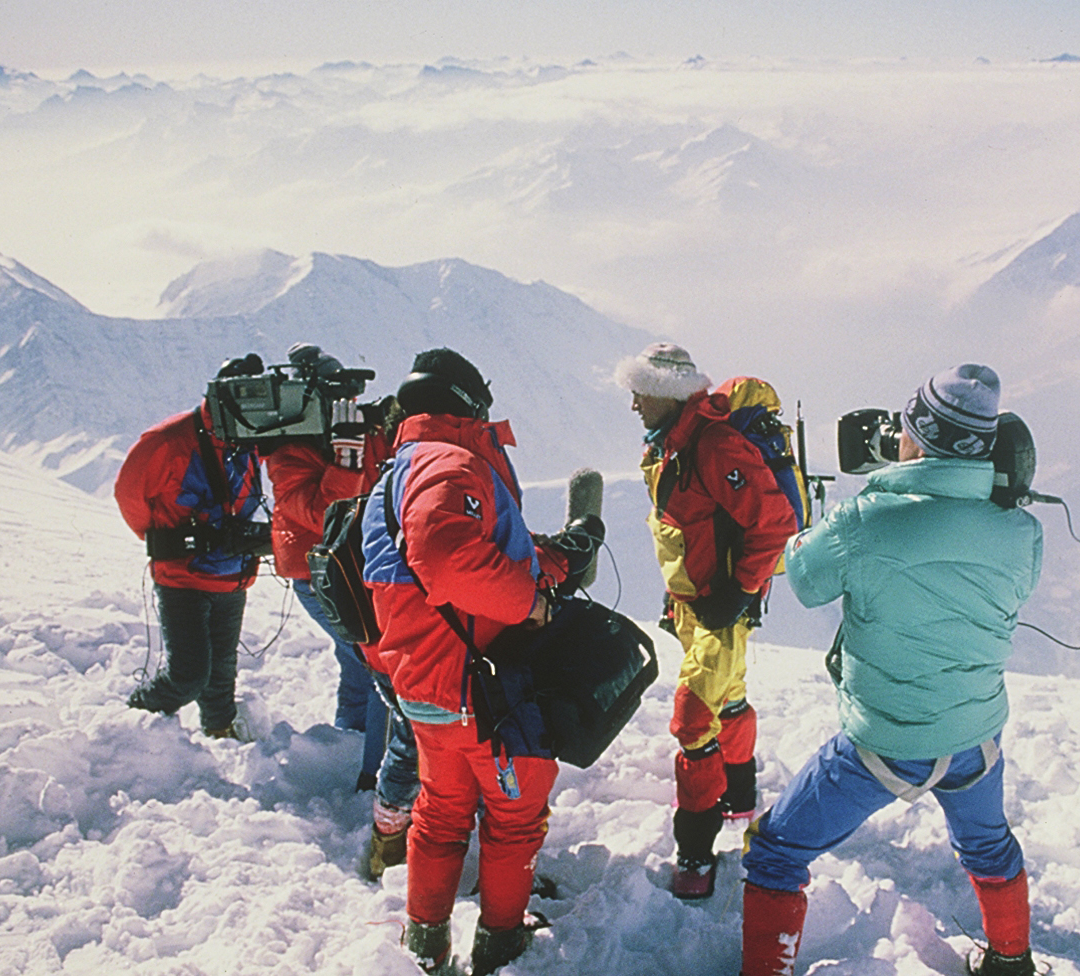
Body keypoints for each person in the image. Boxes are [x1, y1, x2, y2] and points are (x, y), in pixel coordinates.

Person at [738, 364, 1044, 976]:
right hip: (975, 739)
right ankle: (1011, 961)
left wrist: (847, 506)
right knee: (988, 845)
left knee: (774, 853)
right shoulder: (1022, 532)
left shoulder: (866, 519)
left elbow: (805, 580)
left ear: (919, 437)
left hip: (885, 743)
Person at [359, 348, 573, 975]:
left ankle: (426, 943)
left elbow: (450, 554)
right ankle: (500, 943)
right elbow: (447, 559)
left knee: (442, 813)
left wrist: (549, 560)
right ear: (468, 402)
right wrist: (532, 602)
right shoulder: (450, 461)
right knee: (512, 819)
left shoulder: (399, 469)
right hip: (480, 688)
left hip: (425, 684)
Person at [613, 342, 798, 901]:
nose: (634, 405)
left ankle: (695, 852)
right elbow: (684, 526)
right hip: (694, 603)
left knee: (694, 722)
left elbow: (775, 523)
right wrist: (680, 596)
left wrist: (739, 592)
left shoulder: (714, 445)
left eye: (641, 393)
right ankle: (740, 796)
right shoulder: (669, 443)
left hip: (721, 606)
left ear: (667, 393)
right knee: (729, 695)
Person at [261, 343, 421, 878]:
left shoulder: (354, 429)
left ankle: (347, 741)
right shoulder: (286, 450)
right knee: (378, 665)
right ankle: (373, 776)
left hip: (355, 565)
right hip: (321, 574)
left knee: (357, 662)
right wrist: (346, 458)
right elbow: (321, 511)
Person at [114, 354, 269, 740]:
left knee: (221, 672)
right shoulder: (169, 440)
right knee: (188, 675)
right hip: (182, 577)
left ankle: (220, 730)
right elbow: (129, 495)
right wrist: (167, 540)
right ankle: (133, 722)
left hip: (232, 575)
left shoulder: (249, 437)